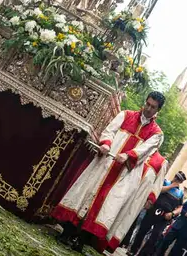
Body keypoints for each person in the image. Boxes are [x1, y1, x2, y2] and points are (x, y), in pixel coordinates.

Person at [52, 92, 165, 252]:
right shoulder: (126, 115)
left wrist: (127, 155)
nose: (148, 108)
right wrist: (106, 143)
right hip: (106, 162)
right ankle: (67, 232)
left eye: (152, 107)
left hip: (125, 173)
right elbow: (109, 131)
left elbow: (145, 149)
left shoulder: (157, 134)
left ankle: (81, 240)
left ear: (157, 110)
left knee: (106, 207)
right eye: (147, 104)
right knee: (86, 193)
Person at [106, 151, 168, 253]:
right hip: (128, 185)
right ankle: (102, 234)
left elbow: (159, 182)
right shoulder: (141, 150)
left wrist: (151, 198)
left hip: (141, 194)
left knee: (128, 216)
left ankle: (112, 242)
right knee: (115, 207)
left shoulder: (162, 161)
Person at [130, 171, 186, 255]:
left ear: (181, 182)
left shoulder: (180, 193)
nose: (176, 179)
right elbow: (158, 190)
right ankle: (133, 250)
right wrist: (171, 186)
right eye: (176, 177)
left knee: (155, 236)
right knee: (143, 230)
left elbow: (180, 207)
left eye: (178, 180)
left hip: (165, 216)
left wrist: (172, 214)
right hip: (154, 210)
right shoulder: (165, 182)